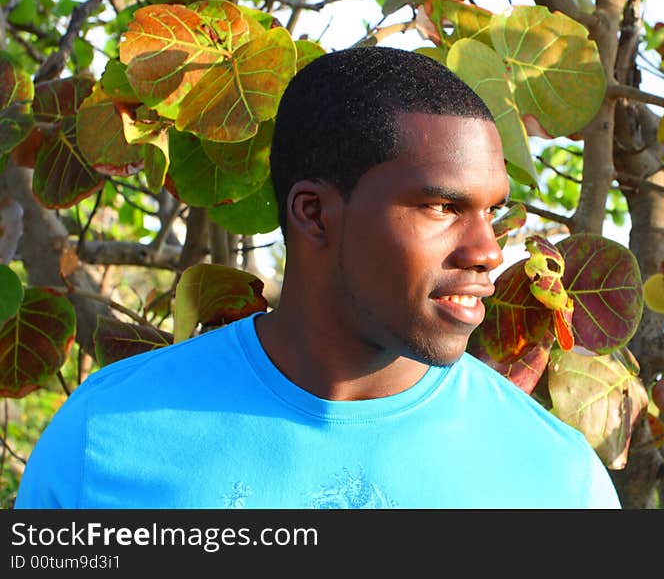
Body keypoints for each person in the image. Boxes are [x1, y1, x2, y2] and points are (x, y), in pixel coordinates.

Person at [14, 46, 621, 509]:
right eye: (442, 207)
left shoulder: (555, 480)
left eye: (492, 212)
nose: (488, 251)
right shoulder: (107, 438)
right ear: (314, 213)